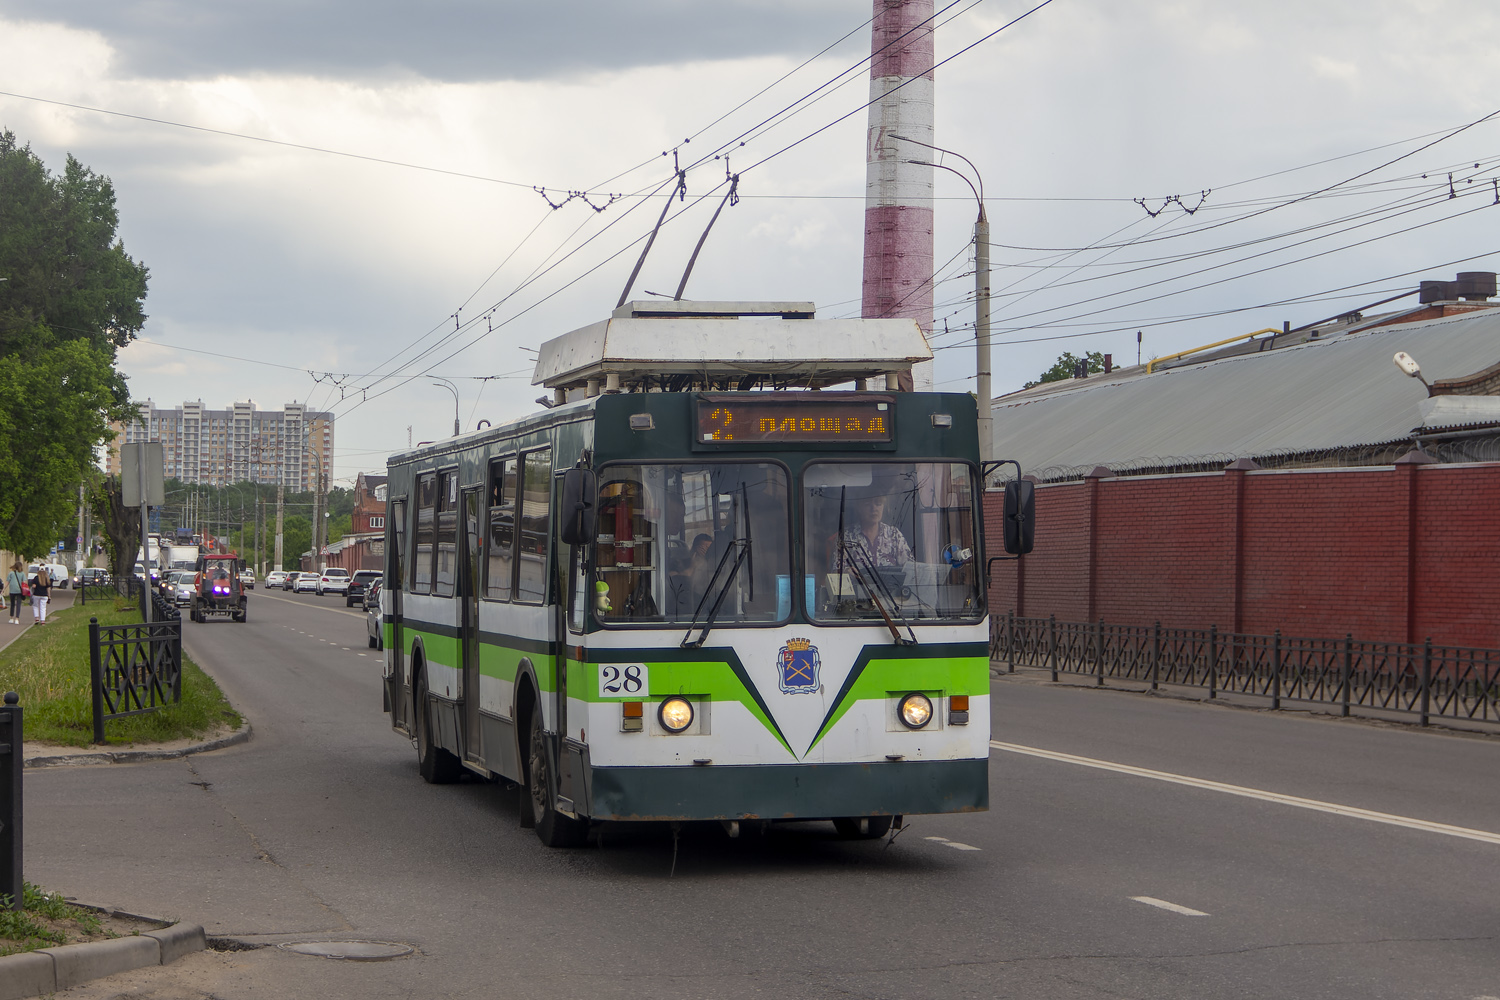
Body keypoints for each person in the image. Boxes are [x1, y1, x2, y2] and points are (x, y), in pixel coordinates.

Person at [837, 492, 912, 572]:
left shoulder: (894, 534)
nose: (874, 509)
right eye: (867, 504)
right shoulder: (846, 536)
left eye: (878, 504)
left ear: (883, 506)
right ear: (859, 508)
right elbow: (836, 572)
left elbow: (910, 569)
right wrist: (847, 571)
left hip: (891, 581)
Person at [5, 560, 24, 625]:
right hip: (19, 591)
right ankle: (17, 619)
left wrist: (4, 589)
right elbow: (24, 582)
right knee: (18, 604)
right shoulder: (22, 573)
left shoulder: (11, 573)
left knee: (12, 604)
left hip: (12, 590)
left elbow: (7, 582)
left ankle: (11, 618)